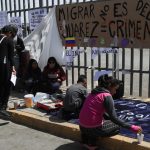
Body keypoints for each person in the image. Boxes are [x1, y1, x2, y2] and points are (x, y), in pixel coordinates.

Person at [79, 75, 142, 150]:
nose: (115, 92)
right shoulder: (106, 95)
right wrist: (132, 127)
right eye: (115, 89)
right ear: (109, 86)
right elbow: (114, 118)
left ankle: (86, 141)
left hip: (82, 127)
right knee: (117, 126)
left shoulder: (93, 92)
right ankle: (92, 144)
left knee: (100, 121)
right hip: (93, 129)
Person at [0, 25, 16, 117]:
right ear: (9, 32)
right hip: (4, 67)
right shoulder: (9, 40)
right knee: (6, 86)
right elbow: (11, 57)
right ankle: (3, 107)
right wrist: (13, 67)